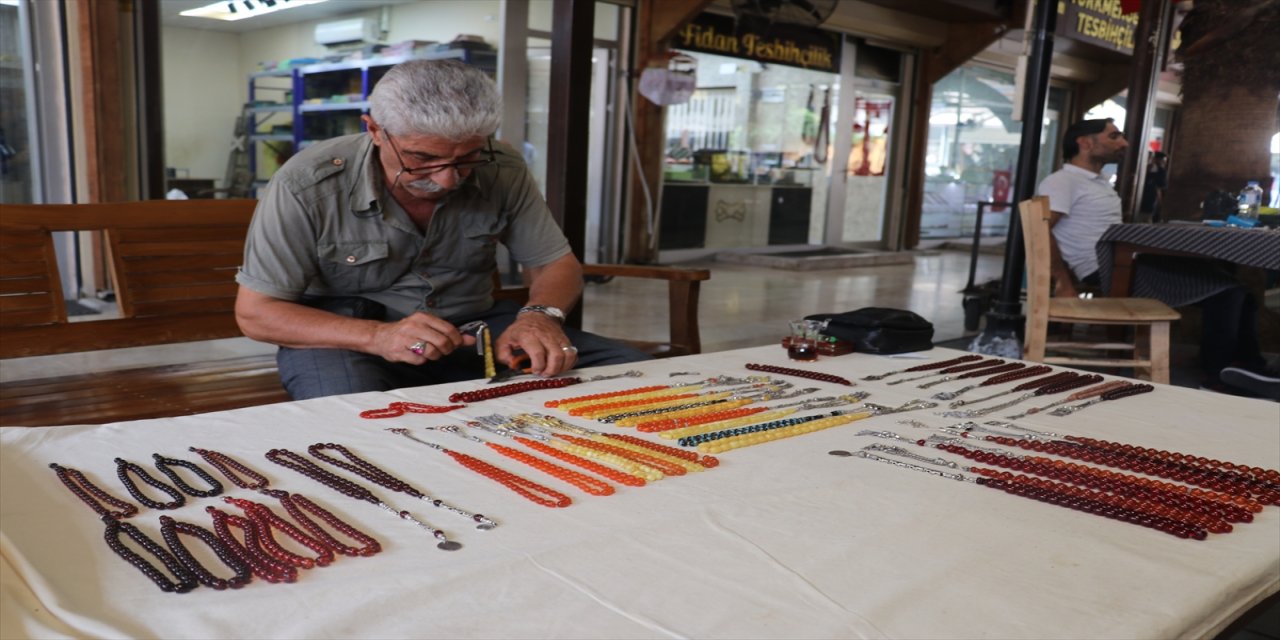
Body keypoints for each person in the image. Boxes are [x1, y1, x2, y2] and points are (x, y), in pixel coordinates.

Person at [235, 59, 649, 400]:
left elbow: (555, 265)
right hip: (350, 338)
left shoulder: (503, 168)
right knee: (353, 421)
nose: (449, 180)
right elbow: (256, 314)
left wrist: (540, 316)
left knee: (637, 375)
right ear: (375, 131)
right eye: (422, 158)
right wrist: (379, 336)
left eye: (467, 158)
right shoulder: (307, 183)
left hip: (475, 327)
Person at [1038, 118, 1278, 399]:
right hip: (1105, 269)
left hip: (1128, 263)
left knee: (1241, 292)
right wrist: (1062, 281)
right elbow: (1042, 231)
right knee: (1228, 295)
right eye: (1114, 136)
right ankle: (1217, 376)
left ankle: (1246, 368)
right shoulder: (1062, 181)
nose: (1124, 143)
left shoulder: (1096, 182)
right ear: (1084, 142)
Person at [1139, 151, 1168, 222]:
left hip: (1151, 198)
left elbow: (1161, 186)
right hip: (1142, 196)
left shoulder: (1161, 171)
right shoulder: (1147, 168)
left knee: (1147, 216)